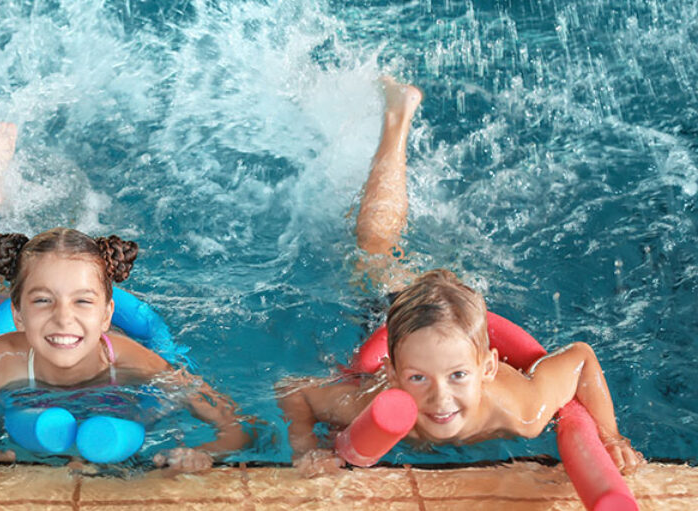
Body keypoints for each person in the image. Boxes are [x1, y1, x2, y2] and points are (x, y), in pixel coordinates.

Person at [276, 76, 644, 477]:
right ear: (392, 374)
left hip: (435, 325)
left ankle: (398, 118)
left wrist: (612, 438)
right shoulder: (372, 398)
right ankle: (396, 116)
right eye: (417, 378)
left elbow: (581, 359)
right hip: (392, 310)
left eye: (458, 375)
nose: (440, 397)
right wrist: (305, 448)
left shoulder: (523, 411)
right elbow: (296, 393)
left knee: (375, 249)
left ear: (487, 368)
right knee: (374, 251)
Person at [0, 226, 251, 475]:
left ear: (106, 315)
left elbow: (234, 424)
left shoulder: (131, 359)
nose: (63, 319)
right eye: (42, 301)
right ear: (18, 316)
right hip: (2, 320)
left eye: (83, 302)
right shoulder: (0, 360)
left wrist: (204, 455)